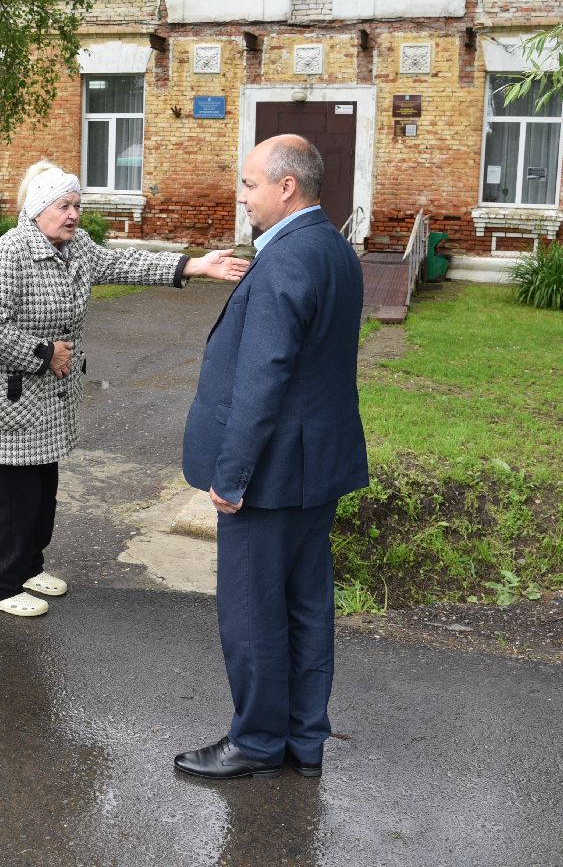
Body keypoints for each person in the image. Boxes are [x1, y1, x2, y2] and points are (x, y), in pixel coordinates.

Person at [0, 160, 249, 617]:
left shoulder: (75, 247)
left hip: (50, 403)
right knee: (18, 505)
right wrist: (44, 354)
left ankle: (28, 568)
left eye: (78, 205)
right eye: (64, 206)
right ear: (39, 209)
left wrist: (194, 265)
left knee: (42, 500)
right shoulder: (12, 251)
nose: (74, 214)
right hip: (12, 401)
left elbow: (123, 261)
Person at [173, 134, 368, 781]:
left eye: (251, 183)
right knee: (307, 605)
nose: (243, 195)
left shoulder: (286, 258)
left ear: (288, 187)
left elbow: (264, 379)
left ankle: (256, 741)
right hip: (316, 469)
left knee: (255, 613)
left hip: (273, 474)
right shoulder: (334, 248)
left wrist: (232, 476)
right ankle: (303, 739)